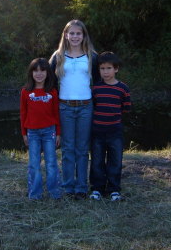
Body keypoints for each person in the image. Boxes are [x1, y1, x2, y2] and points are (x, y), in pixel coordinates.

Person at [49, 19, 99, 199]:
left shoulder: (92, 56)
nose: (75, 36)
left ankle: (81, 187)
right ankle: (68, 186)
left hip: (86, 107)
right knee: (68, 148)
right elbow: (50, 83)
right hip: (65, 107)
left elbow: (99, 83)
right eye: (72, 33)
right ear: (66, 35)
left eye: (79, 33)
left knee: (83, 148)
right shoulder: (58, 56)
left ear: (83, 35)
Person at [89, 51, 131, 201]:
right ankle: (97, 189)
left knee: (115, 161)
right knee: (97, 161)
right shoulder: (95, 88)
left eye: (108, 68)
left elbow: (126, 109)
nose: (105, 72)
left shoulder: (123, 89)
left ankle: (114, 189)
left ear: (116, 69)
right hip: (97, 132)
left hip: (115, 132)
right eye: (102, 69)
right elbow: (93, 107)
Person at [20, 58, 62, 200]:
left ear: (47, 72)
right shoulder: (26, 92)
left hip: (49, 132)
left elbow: (56, 114)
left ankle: (54, 193)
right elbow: (23, 114)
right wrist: (24, 133)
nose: (39, 74)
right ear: (31, 73)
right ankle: (35, 194)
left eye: (42, 70)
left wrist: (58, 133)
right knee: (34, 164)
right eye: (35, 70)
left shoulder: (52, 92)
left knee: (51, 163)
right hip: (32, 133)